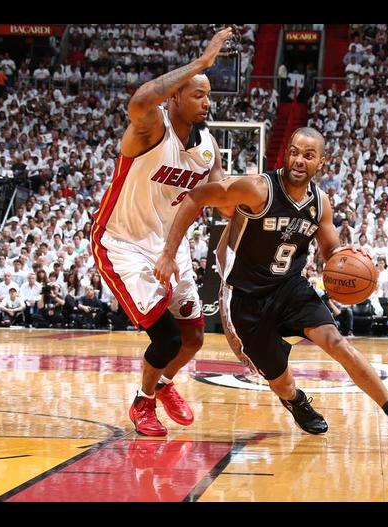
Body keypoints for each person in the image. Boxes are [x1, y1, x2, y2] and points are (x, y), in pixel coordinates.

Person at [155, 127, 388, 445]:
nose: (299, 160)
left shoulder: (320, 203)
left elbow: (331, 252)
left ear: (321, 162)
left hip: (290, 287)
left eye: (308, 155)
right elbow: (196, 197)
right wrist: (168, 253)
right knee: (281, 380)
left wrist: (348, 254)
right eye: (294, 152)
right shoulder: (257, 189)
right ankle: (295, 400)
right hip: (245, 298)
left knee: (337, 343)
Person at [90, 27, 234, 437]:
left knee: (193, 340)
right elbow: (138, 100)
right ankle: (143, 402)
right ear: (174, 98)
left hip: (170, 246)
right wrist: (203, 62)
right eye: (197, 93)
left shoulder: (209, 149)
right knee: (167, 340)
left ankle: (166, 383)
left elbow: (220, 200)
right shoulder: (151, 128)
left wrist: (256, 199)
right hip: (123, 243)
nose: (206, 102)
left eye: (208, 95)